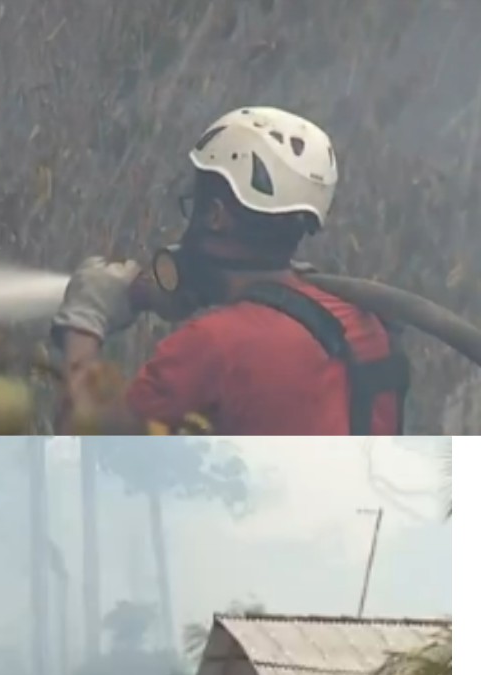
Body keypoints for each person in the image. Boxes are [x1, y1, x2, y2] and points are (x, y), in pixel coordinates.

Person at [53, 106, 408, 435]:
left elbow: (87, 437)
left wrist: (86, 319)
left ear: (215, 216)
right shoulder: (361, 320)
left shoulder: (212, 345)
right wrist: (152, 293)